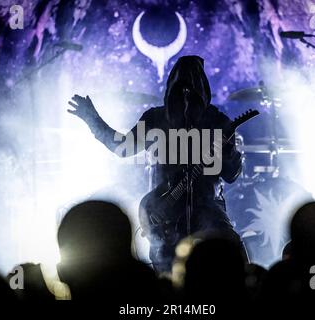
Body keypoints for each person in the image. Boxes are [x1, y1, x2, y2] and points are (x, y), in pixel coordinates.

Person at [68, 56, 242, 272]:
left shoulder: (218, 122)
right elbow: (122, 148)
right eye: (181, 86)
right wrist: (92, 119)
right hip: (163, 207)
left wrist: (229, 152)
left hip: (206, 205)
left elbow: (231, 175)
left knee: (231, 251)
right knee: (165, 264)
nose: (186, 91)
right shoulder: (155, 118)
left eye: (191, 85)